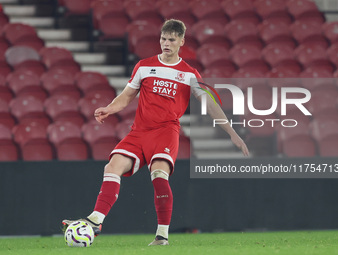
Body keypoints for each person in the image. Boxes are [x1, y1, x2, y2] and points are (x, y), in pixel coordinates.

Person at [62, 19, 249, 246]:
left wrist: (231, 132)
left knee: (159, 176)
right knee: (111, 167)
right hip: (139, 132)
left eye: (171, 39)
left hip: (165, 132)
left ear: (181, 41)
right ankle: (95, 220)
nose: (166, 43)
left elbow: (210, 104)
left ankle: (162, 236)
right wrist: (110, 108)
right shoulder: (144, 66)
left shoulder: (189, 73)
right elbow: (127, 96)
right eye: (163, 38)